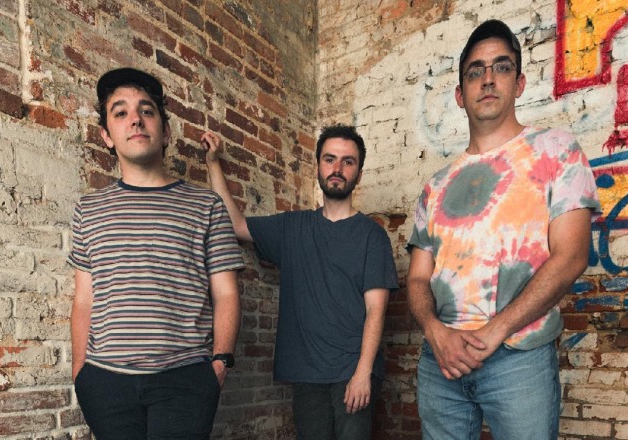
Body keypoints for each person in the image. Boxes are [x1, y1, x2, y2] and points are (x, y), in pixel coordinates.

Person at [406, 19, 601, 440]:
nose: (488, 78)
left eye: (502, 66)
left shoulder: (556, 150)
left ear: (520, 82)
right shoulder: (435, 186)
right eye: (475, 71)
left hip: (519, 357)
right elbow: (418, 278)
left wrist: (495, 331)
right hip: (441, 361)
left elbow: (572, 256)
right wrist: (435, 332)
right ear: (460, 95)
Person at [68, 67, 244, 440]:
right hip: (105, 383)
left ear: (165, 133)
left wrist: (220, 362)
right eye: (120, 112)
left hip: (185, 380)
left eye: (147, 110)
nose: (135, 119)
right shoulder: (89, 209)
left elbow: (226, 292)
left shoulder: (206, 206)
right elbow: (84, 299)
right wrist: (80, 372)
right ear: (107, 136)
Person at [203, 124, 398, 440]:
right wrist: (213, 164)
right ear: (318, 167)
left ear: (359, 174)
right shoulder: (292, 228)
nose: (337, 168)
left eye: (348, 161)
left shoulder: (372, 236)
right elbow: (235, 225)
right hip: (307, 374)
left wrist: (363, 373)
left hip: (353, 370)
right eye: (330, 159)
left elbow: (376, 310)